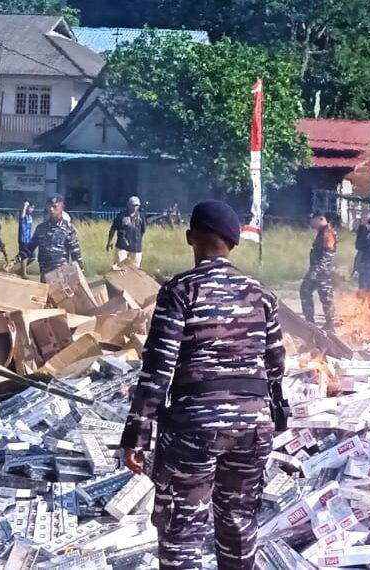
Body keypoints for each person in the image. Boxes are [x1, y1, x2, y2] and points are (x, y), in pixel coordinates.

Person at [120, 200, 285, 570]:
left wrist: (136, 433)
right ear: (235, 243)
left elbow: (157, 368)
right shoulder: (260, 294)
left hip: (194, 426)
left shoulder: (180, 290)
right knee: (239, 524)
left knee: (182, 531)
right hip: (254, 426)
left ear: (190, 237)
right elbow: (276, 365)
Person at [5, 195, 82, 282]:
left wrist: (79, 275)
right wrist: (14, 261)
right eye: (49, 206)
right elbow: (29, 249)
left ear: (62, 207)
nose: (51, 209)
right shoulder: (41, 228)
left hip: (61, 276)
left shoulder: (68, 228)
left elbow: (76, 254)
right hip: (45, 274)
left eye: (54, 206)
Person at [300, 211, 336, 333]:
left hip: (321, 272)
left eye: (313, 221)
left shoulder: (327, 233)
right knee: (308, 292)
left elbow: (327, 254)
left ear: (320, 219)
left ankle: (329, 325)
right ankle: (311, 322)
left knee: (325, 298)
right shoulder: (322, 233)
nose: (311, 223)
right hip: (318, 271)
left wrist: (316, 271)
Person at [107, 196, 147, 268]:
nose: (135, 207)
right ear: (128, 205)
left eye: (137, 205)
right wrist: (109, 241)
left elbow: (143, 230)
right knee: (119, 266)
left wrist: (137, 239)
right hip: (122, 246)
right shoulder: (121, 216)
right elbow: (113, 229)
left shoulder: (141, 216)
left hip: (136, 248)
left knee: (135, 269)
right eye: (133, 205)